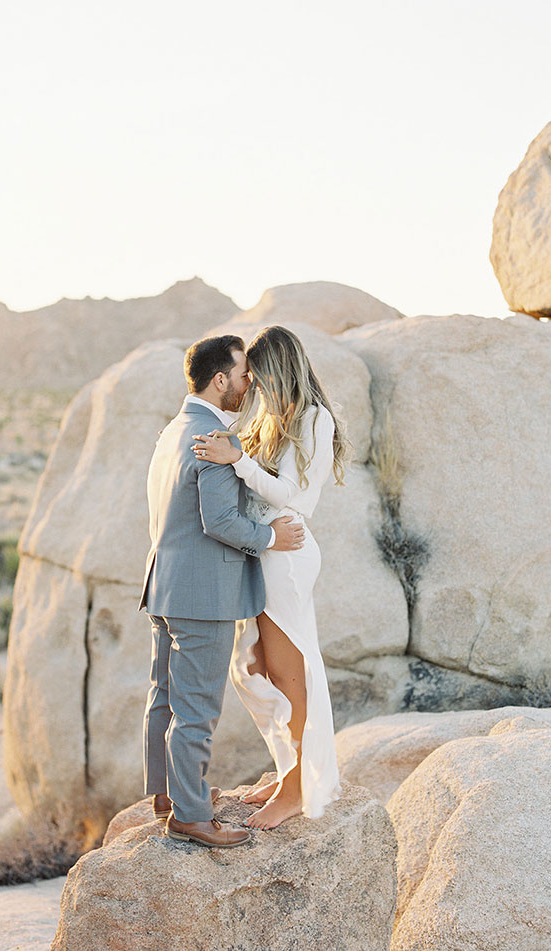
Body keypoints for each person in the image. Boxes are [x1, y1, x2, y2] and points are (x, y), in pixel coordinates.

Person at [139, 333, 306, 849]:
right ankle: (190, 814)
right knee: (197, 709)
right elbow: (222, 521)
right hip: (203, 595)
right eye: (242, 375)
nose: (248, 383)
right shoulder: (211, 438)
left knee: (163, 698)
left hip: (164, 585)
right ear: (220, 380)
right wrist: (272, 537)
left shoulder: (174, 430)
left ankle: (169, 796)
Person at [191, 325, 350, 830]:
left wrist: (239, 461)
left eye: (258, 378)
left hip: (288, 552)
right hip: (263, 551)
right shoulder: (274, 419)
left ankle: (298, 787)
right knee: (250, 666)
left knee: (288, 673)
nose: (254, 389)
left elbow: (296, 497)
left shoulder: (315, 420)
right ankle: (288, 769)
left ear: (280, 369)